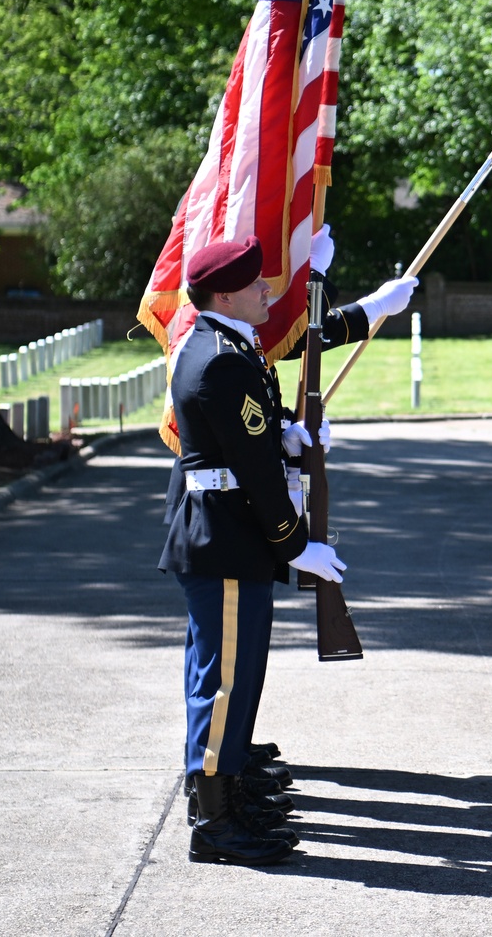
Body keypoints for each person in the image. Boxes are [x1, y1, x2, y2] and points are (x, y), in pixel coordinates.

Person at [159, 233, 415, 866]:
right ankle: (215, 823)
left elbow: (247, 441)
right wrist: (297, 545)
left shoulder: (226, 345)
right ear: (225, 293)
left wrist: (285, 435)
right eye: (257, 284)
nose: (269, 291)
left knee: (231, 681)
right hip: (226, 543)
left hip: (226, 541)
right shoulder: (221, 357)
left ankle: (227, 792)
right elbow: (252, 474)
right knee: (223, 686)